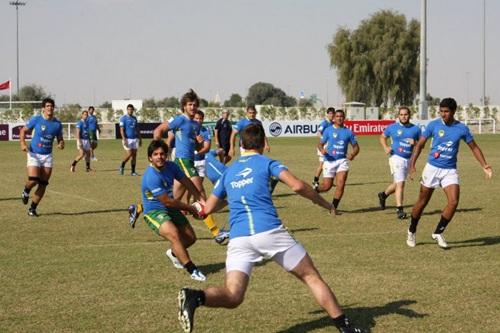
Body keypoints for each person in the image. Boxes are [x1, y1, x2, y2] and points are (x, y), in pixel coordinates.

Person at [177, 124, 364, 333]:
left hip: (239, 238)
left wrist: (192, 207)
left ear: (241, 144)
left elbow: (209, 208)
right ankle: (345, 328)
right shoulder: (267, 163)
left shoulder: (229, 173)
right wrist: (324, 203)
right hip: (269, 232)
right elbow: (298, 186)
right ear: (262, 142)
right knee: (311, 277)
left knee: (233, 295)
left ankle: (196, 297)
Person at [406, 98, 492, 249]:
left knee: (453, 201)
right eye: (441, 111)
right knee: (422, 202)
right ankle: (411, 230)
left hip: (450, 169)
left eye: (446, 111)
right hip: (432, 168)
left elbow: (474, 147)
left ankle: (438, 233)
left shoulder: (462, 129)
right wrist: (412, 164)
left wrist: (484, 165)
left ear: (453, 112)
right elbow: (420, 144)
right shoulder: (433, 125)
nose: (443, 114)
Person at [150, 89, 228, 244]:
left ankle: (139, 208)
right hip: (182, 162)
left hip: (189, 162)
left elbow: (198, 149)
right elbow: (158, 130)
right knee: (200, 194)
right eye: (189, 104)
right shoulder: (180, 120)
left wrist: (199, 143)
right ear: (184, 106)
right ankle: (216, 232)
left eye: (194, 104)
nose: (192, 107)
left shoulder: (195, 125)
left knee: (173, 200)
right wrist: (157, 150)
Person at [141, 140, 207, 281]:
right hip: (155, 211)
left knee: (190, 238)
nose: (160, 157)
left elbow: (186, 181)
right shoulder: (151, 176)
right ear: (150, 158)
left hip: (171, 208)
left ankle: (174, 253)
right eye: (156, 154)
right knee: (174, 235)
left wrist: (199, 198)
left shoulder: (172, 166)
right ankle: (192, 269)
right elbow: (167, 202)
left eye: (163, 154)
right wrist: (192, 208)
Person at [20, 98, 64, 216]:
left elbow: (60, 138)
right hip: (34, 153)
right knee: (33, 180)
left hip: (47, 156)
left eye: (52, 106)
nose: (50, 108)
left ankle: (32, 209)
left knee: (43, 183)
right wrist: (23, 144)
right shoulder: (37, 120)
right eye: (48, 106)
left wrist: (61, 143)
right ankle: (26, 190)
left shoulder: (57, 124)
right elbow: (23, 131)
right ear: (43, 108)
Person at [377, 106, 421, 219]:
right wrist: (386, 147)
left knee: (397, 184)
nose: (403, 116)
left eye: (405, 114)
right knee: (401, 183)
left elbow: (421, 145)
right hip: (396, 157)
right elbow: (382, 137)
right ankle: (399, 210)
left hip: (408, 159)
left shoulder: (416, 129)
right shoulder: (392, 127)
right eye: (401, 114)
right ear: (398, 116)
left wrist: (415, 142)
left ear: (409, 115)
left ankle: (383, 195)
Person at [315, 109, 360, 213]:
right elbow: (320, 144)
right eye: (337, 116)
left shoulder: (348, 132)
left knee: (341, 183)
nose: (339, 118)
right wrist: (322, 150)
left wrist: (353, 154)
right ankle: (315, 191)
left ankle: (333, 207)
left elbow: (356, 147)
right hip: (329, 161)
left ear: (344, 118)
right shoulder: (328, 130)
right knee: (327, 186)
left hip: (342, 161)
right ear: (334, 118)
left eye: (341, 116)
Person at [312, 107, 335, 188]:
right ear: (327, 114)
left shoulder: (333, 124)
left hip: (330, 147)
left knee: (331, 163)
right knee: (322, 165)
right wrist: (324, 139)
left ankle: (330, 181)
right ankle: (315, 181)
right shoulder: (324, 123)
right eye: (330, 113)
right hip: (323, 146)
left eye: (333, 114)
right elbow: (318, 133)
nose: (331, 115)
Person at [119, 104, 142, 176]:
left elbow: (137, 129)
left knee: (134, 155)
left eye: (131, 109)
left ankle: (133, 172)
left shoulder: (134, 118)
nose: (130, 111)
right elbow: (121, 130)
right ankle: (122, 165)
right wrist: (124, 139)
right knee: (129, 154)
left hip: (135, 139)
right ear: (127, 110)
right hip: (127, 139)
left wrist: (140, 138)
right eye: (129, 109)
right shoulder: (123, 118)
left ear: (133, 110)